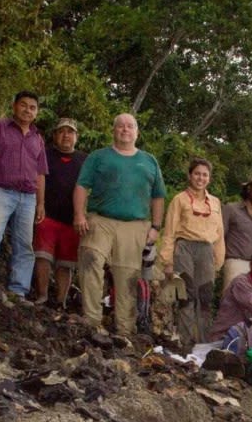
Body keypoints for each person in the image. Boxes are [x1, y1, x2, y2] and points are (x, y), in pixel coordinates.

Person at [72, 113, 167, 335]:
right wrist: (79, 215)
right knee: (90, 258)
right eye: (120, 126)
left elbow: (158, 196)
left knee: (128, 277)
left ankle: (125, 330)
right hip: (100, 219)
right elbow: (82, 186)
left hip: (135, 225)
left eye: (130, 126)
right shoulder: (98, 157)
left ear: (137, 132)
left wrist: (155, 227)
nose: (125, 129)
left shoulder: (149, 161)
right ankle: (92, 321)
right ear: (113, 131)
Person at [0, 91, 47, 298]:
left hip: (28, 197)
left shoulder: (38, 139)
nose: (27, 110)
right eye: (23, 105)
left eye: (32, 107)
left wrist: (40, 203)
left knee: (24, 244)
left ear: (37, 112)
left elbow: (40, 173)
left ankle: (18, 289)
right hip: (1, 191)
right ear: (14, 106)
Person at [159, 158, 225, 343]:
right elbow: (169, 232)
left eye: (204, 175)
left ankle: (203, 344)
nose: (200, 178)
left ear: (209, 179)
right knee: (186, 297)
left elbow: (219, 234)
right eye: (197, 173)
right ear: (190, 175)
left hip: (206, 250)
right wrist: (167, 261)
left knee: (205, 298)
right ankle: (186, 343)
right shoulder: (179, 200)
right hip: (184, 248)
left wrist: (218, 261)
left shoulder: (215, 202)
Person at [31, 118, 86, 306]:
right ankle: (42, 295)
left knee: (66, 263)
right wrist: (40, 204)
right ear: (55, 135)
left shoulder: (84, 160)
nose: (66, 135)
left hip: (72, 220)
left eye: (70, 132)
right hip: (47, 214)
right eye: (61, 131)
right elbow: (38, 178)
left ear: (76, 137)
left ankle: (60, 302)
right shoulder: (45, 154)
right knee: (42, 256)